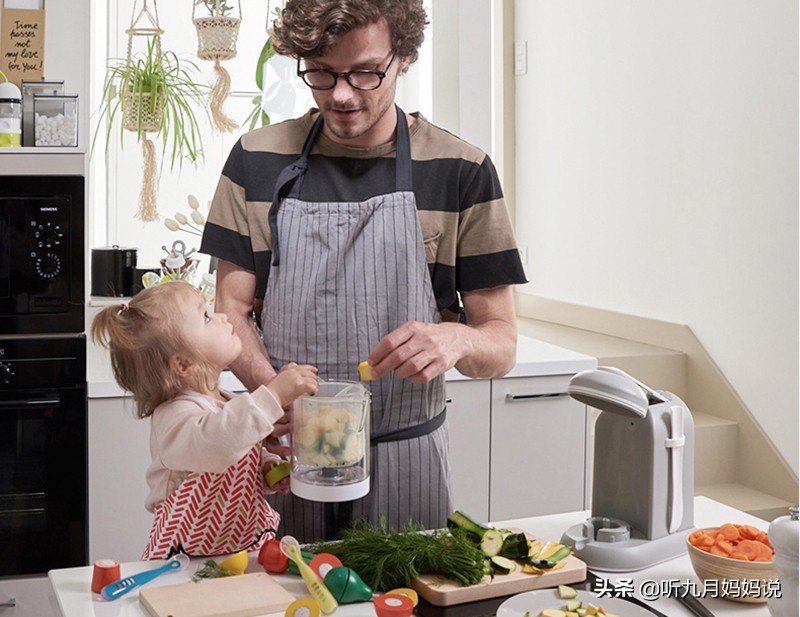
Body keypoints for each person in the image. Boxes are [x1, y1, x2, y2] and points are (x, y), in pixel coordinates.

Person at [200, 0, 527, 542]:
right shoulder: (255, 160)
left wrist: (456, 340)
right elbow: (229, 313)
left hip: (408, 457)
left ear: (403, 57)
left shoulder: (462, 171)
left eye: (364, 72)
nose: (341, 95)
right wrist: (272, 396)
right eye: (321, 73)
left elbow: (502, 343)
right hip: (292, 457)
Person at [90, 280, 318, 559]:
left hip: (238, 553)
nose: (221, 316)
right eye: (207, 317)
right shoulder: (175, 417)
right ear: (184, 364)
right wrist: (274, 394)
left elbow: (235, 452)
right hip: (183, 563)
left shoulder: (226, 402)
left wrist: (265, 469)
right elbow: (218, 443)